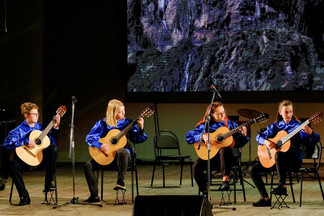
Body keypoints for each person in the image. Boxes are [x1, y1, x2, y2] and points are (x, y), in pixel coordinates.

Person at [249, 100, 320, 207]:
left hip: (293, 161)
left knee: (279, 154)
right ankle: (265, 198)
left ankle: (282, 186)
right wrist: (266, 142)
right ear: (280, 112)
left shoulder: (299, 126)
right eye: (286, 112)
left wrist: (311, 133)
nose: (289, 114)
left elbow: (313, 141)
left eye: (290, 112)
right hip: (276, 162)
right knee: (253, 169)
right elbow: (259, 136)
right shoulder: (275, 126)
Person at [83, 99, 147, 203]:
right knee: (87, 165)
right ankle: (94, 196)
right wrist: (100, 145)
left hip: (124, 159)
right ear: (113, 112)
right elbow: (90, 138)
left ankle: (120, 181)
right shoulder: (102, 123)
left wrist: (141, 127)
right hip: (108, 158)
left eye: (124, 110)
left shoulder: (128, 123)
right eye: (121, 112)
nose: (124, 113)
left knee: (122, 151)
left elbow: (137, 139)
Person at [185, 101, 249, 195]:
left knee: (224, 149)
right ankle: (205, 192)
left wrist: (243, 135)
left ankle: (225, 181)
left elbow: (238, 144)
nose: (222, 115)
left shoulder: (231, 125)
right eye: (219, 114)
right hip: (211, 158)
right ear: (211, 114)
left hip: (227, 159)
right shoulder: (205, 125)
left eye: (223, 112)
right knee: (196, 167)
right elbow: (188, 137)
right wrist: (202, 137)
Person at [4, 102, 60, 206]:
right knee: (12, 164)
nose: (37, 116)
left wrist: (55, 128)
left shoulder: (41, 128)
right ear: (26, 115)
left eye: (37, 113)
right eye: (34, 114)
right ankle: (24, 197)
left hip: (40, 160)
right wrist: (25, 141)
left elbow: (53, 142)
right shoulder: (18, 130)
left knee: (54, 148)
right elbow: (7, 143)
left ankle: (48, 183)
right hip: (24, 163)